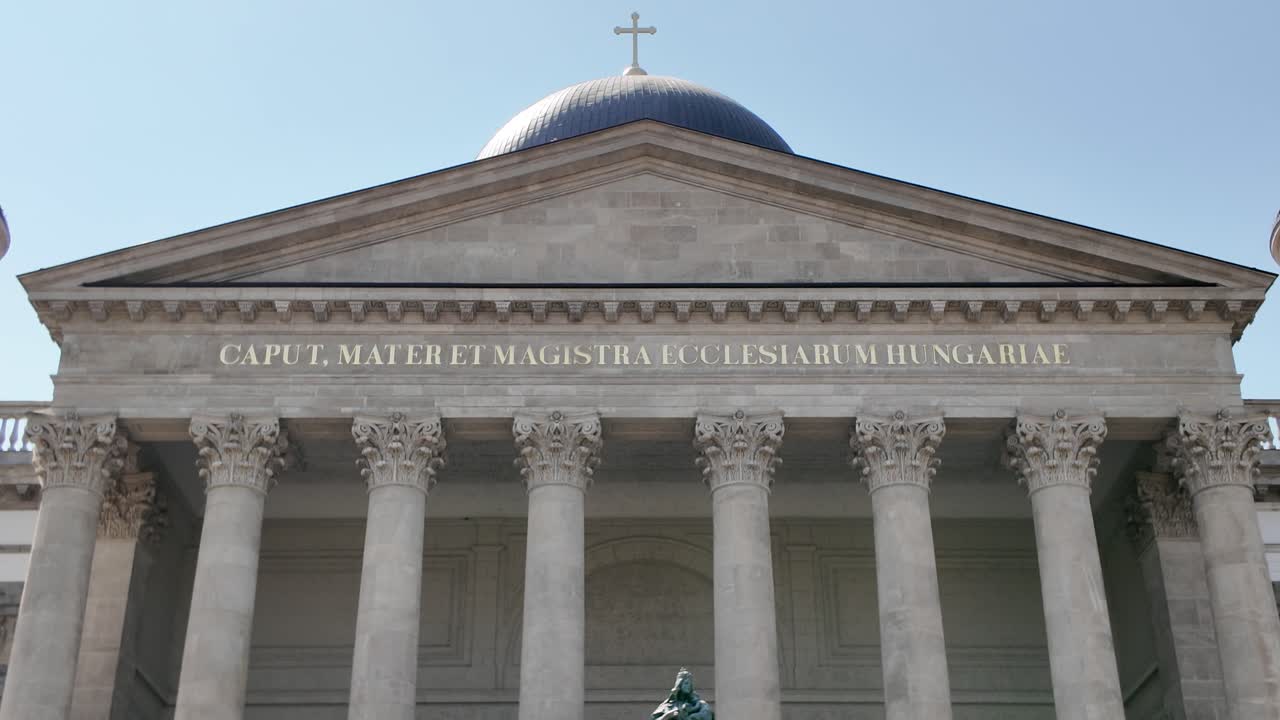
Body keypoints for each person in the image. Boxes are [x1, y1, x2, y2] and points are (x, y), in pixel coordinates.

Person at [649, 668, 713, 720]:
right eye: (686, 683)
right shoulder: (667, 706)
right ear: (679, 684)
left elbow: (707, 715)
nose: (688, 686)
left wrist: (690, 716)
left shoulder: (700, 704)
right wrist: (667, 716)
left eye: (690, 684)